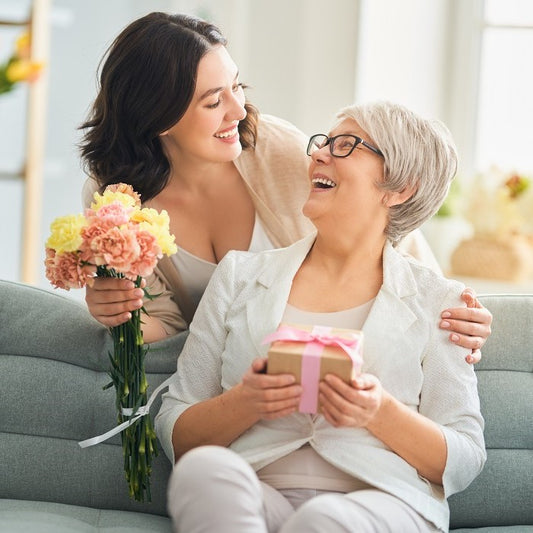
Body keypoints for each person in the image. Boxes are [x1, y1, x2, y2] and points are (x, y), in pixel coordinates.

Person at [80, 12, 491, 361]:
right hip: (235, 370)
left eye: (236, 86)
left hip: (331, 354)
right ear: (159, 119)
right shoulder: (115, 201)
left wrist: (450, 311)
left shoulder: (276, 149)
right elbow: (168, 327)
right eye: (213, 101)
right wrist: (119, 311)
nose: (238, 110)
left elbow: (383, 223)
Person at [155, 101, 486, 532]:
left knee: (324, 519)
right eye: (323, 143)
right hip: (256, 494)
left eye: (346, 145)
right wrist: (245, 402)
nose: (318, 154)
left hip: (383, 501)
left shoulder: (440, 301)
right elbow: (175, 428)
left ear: (400, 188)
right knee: (203, 472)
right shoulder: (240, 275)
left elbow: (464, 457)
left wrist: (378, 411)